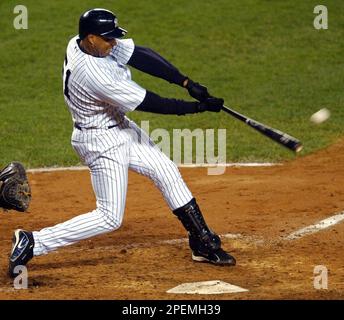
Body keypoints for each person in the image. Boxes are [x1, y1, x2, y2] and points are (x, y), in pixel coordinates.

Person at [8, 8, 236, 278]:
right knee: (109, 217)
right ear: (91, 38)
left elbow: (141, 54)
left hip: (120, 127)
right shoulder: (92, 73)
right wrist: (197, 107)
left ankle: (202, 242)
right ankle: (33, 241)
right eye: (108, 39)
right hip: (100, 141)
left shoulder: (84, 43)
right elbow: (153, 103)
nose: (113, 43)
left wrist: (186, 81)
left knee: (166, 170)